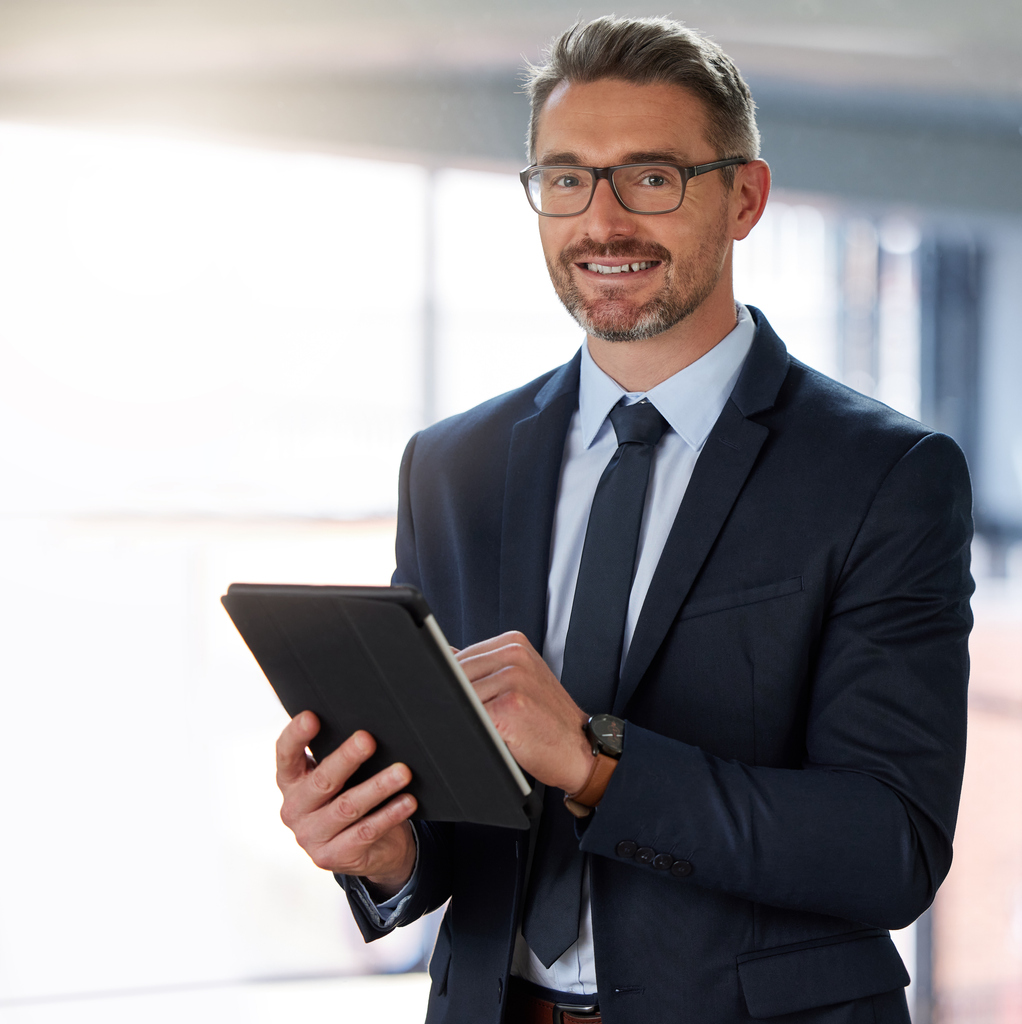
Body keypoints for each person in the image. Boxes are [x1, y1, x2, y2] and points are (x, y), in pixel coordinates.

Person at [274, 16, 973, 1024]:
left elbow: (887, 847)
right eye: (566, 179)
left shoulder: (885, 475)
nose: (601, 221)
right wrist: (382, 848)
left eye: (649, 177)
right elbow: (456, 811)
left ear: (743, 197)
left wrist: (599, 763)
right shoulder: (450, 467)